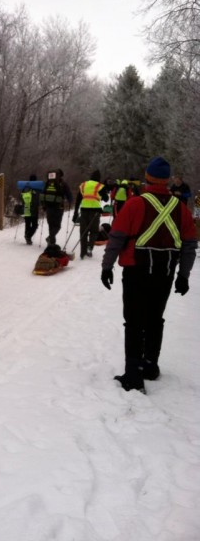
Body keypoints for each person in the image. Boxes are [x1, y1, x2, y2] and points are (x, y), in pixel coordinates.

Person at [101, 156, 197, 393]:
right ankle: (150, 365)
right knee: (155, 319)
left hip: (136, 270)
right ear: (167, 181)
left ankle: (133, 375)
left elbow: (116, 238)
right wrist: (183, 275)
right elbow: (189, 245)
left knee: (134, 321)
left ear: (147, 178)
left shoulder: (135, 204)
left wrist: (107, 266)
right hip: (164, 272)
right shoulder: (180, 209)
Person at [72, 170, 109, 259]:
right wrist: (104, 194)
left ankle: (82, 252)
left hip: (84, 210)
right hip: (95, 212)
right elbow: (106, 199)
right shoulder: (100, 186)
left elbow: (78, 200)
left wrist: (75, 213)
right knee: (94, 231)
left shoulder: (84, 185)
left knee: (83, 232)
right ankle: (89, 247)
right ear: (98, 178)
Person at [40, 169, 73, 245]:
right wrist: (70, 202)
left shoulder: (47, 183)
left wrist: (43, 205)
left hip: (48, 207)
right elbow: (69, 195)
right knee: (57, 226)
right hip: (59, 207)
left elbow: (42, 195)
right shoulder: (63, 184)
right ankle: (51, 240)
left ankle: (51, 241)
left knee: (51, 225)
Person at [21, 174, 40, 245]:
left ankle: (27, 237)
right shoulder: (37, 188)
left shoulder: (25, 187)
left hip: (26, 207)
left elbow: (21, 197)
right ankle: (28, 236)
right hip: (34, 209)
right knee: (35, 225)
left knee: (27, 224)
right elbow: (39, 198)